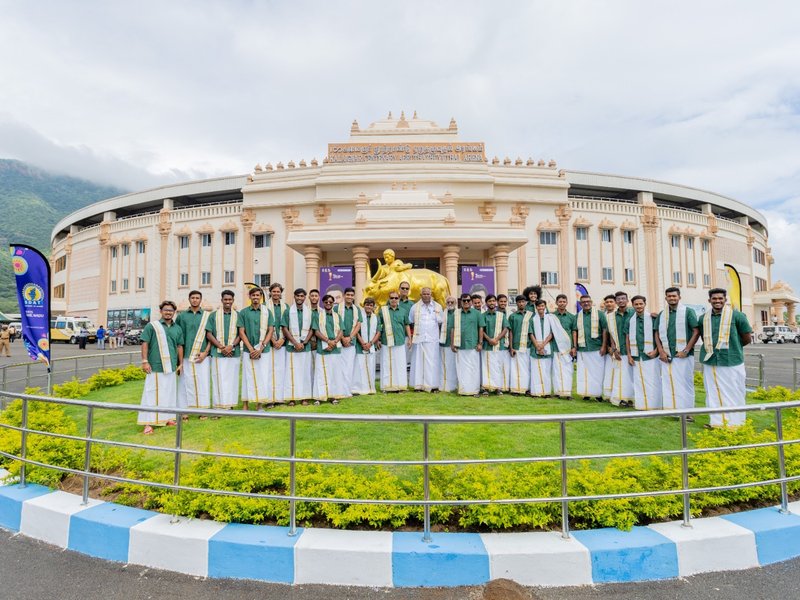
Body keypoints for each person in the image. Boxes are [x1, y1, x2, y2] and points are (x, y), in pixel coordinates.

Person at [699, 288, 753, 428]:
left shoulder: (737, 316)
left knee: (734, 391)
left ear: (725, 300)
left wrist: (734, 348)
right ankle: (716, 422)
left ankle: (735, 423)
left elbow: (747, 338)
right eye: (714, 299)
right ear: (709, 300)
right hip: (710, 360)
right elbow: (703, 337)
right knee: (712, 391)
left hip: (731, 360)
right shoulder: (703, 318)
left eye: (720, 298)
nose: (717, 301)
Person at [138, 300, 183, 434]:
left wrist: (180, 364)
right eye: (166, 310)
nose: (168, 312)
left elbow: (179, 346)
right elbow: (144, 343)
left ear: (174, 312)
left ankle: (167, 418)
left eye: (171, 310)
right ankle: (148, 423)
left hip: (171, 366)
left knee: (169, 394)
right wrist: (145, 361)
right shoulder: (152, 326)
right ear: (161, 311)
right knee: (151, 394)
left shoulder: (177, 328)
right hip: (155, 365)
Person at [655, 287, 700, 417]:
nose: (672, 298)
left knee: (685, 383)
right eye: (669, 296)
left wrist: (686, 350)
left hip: (683, 356)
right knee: (668, 382)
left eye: (674, 296)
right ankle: (671, 411)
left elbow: (696, 331)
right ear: (666, 298)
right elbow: (656, 333)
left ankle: (688, 412)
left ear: (679, 297)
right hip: (667, 356)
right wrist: (661, 351)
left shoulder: (688, 312)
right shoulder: (662, 314)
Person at [176, 290, 212, 416]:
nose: (195, 300)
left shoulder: (207, 316)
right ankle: (184, 411)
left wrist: (205, 353)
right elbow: (178, 337)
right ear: (189, 299)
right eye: (193, 298)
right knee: (185, 383)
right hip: (185, 355)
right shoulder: (181, 316)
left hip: (202, 356)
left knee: (202, 382)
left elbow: (211, 336)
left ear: (200, 300)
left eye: (197, 298)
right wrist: (178, 360)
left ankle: (202, 411)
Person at [237, 286, 274, 411]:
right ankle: (245, 405)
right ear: (249, 297)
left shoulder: (267, 311)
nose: (255, 297)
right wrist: (251, 349)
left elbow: (270, 330)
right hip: (249, 350)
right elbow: (241, 332)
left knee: (262, 377)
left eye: (258, 295)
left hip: (264, 350)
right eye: (253, 295)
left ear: (261, 297)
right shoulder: (243, 312)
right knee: (248, 377)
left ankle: (259, 404)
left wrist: (261, 347)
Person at [205, 289, 241, 410]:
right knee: (218, 378)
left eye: (230, 299)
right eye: (225, 299)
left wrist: (232, 346)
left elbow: (241, 333)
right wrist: (221, 347)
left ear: (233, 300)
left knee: (232, 379)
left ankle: (230, 405)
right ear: (221, 300)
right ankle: (218, 406)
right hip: (218, 353)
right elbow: (209, 333)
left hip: (233, 353)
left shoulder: (238, 315)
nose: (227, 301)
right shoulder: (213, 315)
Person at [626, 295, 662, 411]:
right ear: (633, 305)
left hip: (650, 355)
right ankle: (641, 405)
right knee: (638, 380)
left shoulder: (652, 318)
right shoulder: (630, 320)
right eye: (636, 304)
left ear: (645, 304)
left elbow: (659, 335)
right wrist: (629, 355)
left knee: (653, 380)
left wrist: (657, 350)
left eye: (641, 304)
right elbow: (627, 338)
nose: (639, 306)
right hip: (637, 355)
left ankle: (654, 405)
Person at [281, 288, 315, 406]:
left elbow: (312, 328)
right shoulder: (288, 311)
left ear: (305, 297)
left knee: (305, 372)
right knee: (292, 373)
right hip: (291, 347)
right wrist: (295, 343)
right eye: (298, 296)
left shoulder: (309, 312)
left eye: (302, 296)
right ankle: (292, 398)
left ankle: (304, 397)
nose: (300, 298)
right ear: (294, 297)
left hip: (305, 347)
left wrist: (304, 342)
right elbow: (284, 328)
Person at [572, 295, 608, 400]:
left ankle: (598, 394)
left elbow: (605, 330)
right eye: (583, 302)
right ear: (580, 303)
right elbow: (575, 331)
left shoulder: (600, 314)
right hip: (583, 348)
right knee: (584, 372)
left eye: (588, 301)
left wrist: (604, 346)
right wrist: (575, 346)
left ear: (591, 302)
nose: (586, 303)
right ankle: (586, 393)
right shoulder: (577, 316)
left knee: (598, 372)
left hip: (596, 347)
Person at [312, 294, 344, 404]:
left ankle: (333, 396)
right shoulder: (318, 315)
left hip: (335, 348)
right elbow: (316, 331)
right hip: (322, 348)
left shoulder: (337, 316)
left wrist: (334, 342)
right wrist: (328, 341)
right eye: (326, 302)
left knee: (334, 373)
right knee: (321, 373)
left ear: (333, 303)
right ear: (323, 303)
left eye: (330, 302)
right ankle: (319, 397)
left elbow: (341, 331)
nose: (328, 304)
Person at [409, 286, 442, 392]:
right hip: (419, 339)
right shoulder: (414, 307)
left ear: (431, 295)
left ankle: (432, 385)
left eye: (428, 294)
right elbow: (410, 321)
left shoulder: (437, 307)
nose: (426, 295)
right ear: (420, 295)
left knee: (432, 363)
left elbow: (441, 323)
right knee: (418, 362)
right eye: (424, 294)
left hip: (433, 340)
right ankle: (418, 385)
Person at [378, 291, 411, 392]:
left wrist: (410, 338)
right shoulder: (382, 310)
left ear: (399, 299)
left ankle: (400, 386)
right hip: (386, 341)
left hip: (400, 341)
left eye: (396, 298)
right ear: (388, 298)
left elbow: (407, 325)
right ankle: (386, 386)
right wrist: (378, 340)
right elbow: (379, 326)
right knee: (386, 363)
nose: (394, 300)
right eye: (392, 298)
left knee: (400, 364)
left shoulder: (403, 310)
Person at [452, 294, 483, 397]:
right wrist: (452, 344)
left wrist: (480, 343)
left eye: (468, 300)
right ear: (461, 302)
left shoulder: (477, 314)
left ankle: (474, 390)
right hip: (460, 345)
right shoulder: (456, 314)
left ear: (471, 301)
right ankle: (463, 390)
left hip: (473, 345)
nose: (466, 302)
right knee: (462, 369)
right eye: (464, 300)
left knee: (474, 369)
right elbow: (452, 329)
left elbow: (481, 328)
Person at [610, 292, 635, 407]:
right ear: (616, 301)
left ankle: (632, 399)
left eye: (623, 299)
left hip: (633, 351)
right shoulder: (611, 316)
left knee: (632, 377)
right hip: (619, 351)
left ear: (627, 300)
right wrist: (614, 350)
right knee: (621, 377)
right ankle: (621, 398)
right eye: (618, 299)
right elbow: (611, 334)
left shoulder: (634, 313)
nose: (621, 301)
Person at [336, 287, 362, 398]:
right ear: (344, 295)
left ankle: (348, 390)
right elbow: (335, 324)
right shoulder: (336, 308)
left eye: (352, 295)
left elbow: (358, 325)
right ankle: (340, 390)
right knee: (340, 367)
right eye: (348, 295)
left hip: (351, 342)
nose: (350, 297)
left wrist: (350, 338)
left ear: (354, 296)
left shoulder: (357, 309)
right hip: (339, 342)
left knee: (349, 367)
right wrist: (342, 338)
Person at [481, 294, 509, 395]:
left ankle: (498, 388)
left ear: (495, 302)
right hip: (487, 346)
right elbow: (481, 330)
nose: (492, 303)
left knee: (498, 366)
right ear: (486, 303)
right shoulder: (483, 316)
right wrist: (489, 340)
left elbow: (505, 328)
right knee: (487, 367)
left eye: (493, 301)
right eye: (489, 301)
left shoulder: (501, 315)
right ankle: (486, 388)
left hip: (499, 345)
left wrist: (496, 339)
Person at [267, 283, 289, 406]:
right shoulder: (265, 306)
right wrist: (272, 340)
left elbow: (289, 325)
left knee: (281, 371)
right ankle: (270, 399)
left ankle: (280, 399)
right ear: (270, 292)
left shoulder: (286, 307)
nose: (276, 294)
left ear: (281, 293)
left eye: (278, 291)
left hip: (282, 343)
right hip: (269, 344)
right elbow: (263, 326)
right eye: (274, 291)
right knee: (270, 371)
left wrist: (282, 339)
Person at [352, 297, 380, 395]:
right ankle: (357, 389)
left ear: (373, 307)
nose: (369, 307)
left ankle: (370, 388)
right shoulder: (360, 316)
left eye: (371, 305)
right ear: (364, 306)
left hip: (371, 346)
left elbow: (378, 332)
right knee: (359, 367)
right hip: (360, 346)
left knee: (370, 367)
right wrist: (363, 343)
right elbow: (356, 330)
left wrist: (371, 343)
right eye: (367, 305)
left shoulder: (376, 317)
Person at [550, 294, 576, 398]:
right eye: (560, 301)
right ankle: (557, 392)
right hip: (555, 347)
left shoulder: (571, 317)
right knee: (556, 371)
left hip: (567, 349)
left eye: (564, 302)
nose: (562, 303)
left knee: (567, 371)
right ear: (556, 303)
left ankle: (567, 393)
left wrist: (574, 347)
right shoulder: (552, 316)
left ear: (567, 303)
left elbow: (574, 332)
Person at [507, 295, 533, 394]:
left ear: (526, 303)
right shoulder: (512, 316)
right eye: (519, 302)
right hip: (516, 346)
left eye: (523, 301)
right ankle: (516, 389)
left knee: (528, 368)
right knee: (516, 369)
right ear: (516, 303)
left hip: (529, 345)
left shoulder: (531, 315)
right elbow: (510, 332)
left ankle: (527, 389)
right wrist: (511, 347)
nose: (521, 304)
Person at [530, 300, 554, 397]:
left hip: (547, 347)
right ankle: (536, 392)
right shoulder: (532, 319)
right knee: (536, 371)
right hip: (535, 349)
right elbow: (530, 333)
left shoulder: (550, 318)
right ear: (536, 307)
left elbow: (552, 333)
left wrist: (543, 345)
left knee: (546, 371)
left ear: (545, 306)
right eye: (538, 306)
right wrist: (537, 346)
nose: (540, 308)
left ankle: (546, 392)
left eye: (542, 306)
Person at [439, 296, 459, 392]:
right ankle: (444, 385)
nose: (450, 304)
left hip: (455, 344)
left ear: (455, 303)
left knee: (453, 366)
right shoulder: (442, 313)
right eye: (448, 302)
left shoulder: (458, 314)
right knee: (443, 365)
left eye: (452, 302)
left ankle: (453, 386)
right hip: (443, 342)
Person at [601, 295, 618, 403]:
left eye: (611, 302)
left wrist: (615, 347)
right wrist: (606, 347)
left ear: (615, 303)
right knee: (608, 372)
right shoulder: (602, 316)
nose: (609, 304)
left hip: (617, 348)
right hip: (606, 349)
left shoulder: (618, 315)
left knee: (617, 373)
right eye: (607, 302)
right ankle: (607, 395)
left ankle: (617, 394)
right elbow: (602, 332)